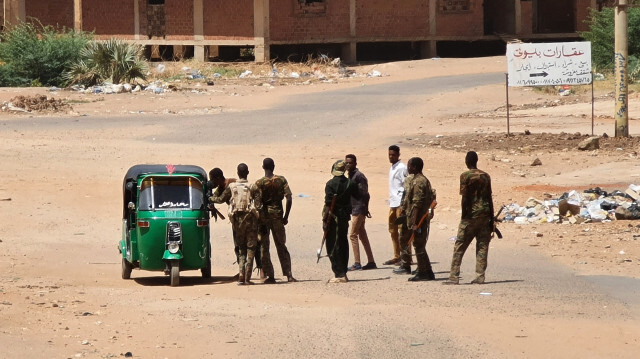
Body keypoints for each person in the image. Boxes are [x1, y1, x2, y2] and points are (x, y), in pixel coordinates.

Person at [443, 151, 495, 285]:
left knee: (459, 246)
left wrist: (463, 216)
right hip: (485, 214)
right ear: (476, 160)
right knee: (482, 246)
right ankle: (480, 276)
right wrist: (492, 219)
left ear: (467, 161)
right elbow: (489, 198)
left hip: (471, 215)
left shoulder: (465, 176)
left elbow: (465, 198)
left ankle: (454, 276)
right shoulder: (486, 176)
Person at [210, 163, 262, 285]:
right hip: (250, 221)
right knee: (250, 248)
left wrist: (208, 199)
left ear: (237, 173)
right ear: (247, 173)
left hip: (237, 221)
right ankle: (247, 278)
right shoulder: (252, 187)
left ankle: (241, 275)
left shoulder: (231, 186)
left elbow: (219, 199)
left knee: (241, 248)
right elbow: (259, 206)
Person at [393, 157, 436, 281]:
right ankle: (427, 271)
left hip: (419, 219)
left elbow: (417, 203)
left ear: (415, 167)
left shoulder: (419, 182)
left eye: (410, 166)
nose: (408, 168)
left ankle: (423, 272)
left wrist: (414, 222)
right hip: (418, 217)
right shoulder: (420, 180)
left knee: (418, 245)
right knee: (419, 244)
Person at [255, 157, 296, 283]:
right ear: (274, 166)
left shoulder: (259, 183)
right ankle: (288, 274)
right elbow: (289, 198)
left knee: (264, 247)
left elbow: (258, 204)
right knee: (281, 245)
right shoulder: (281, 180)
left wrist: (260, 220)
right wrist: (286, 217)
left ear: (263, 167)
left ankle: (270, 276)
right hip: (278, 216)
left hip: (265, 218)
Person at [323, 160, 359, 283]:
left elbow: (328, 204)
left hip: (333, 218)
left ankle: (339, 274)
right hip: (344, 218)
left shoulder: (330, 184)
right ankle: (343, 271)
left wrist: (324, 220)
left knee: (332, 245)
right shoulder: (351, 183)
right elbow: (359, 195)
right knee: (343, 242)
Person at [345, 154, 376, 271]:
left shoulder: (359, 176)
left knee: (352, 235)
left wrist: (365, 209)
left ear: (355, 164)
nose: (348, 165)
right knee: (362, 235)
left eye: (350, 163)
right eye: (346, 163)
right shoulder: (350, 175)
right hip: (355, 208)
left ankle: (357, 262)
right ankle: (371, 261)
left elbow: (365, 193)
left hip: (359, 209)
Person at [384, 145, 409, 266]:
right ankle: (397, 255)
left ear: (398, 155)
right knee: (392, 230)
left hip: (400, 203)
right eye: (389, 154)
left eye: (393, 155)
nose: (391, 157)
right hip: (393, 203)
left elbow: (407, 185)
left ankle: (407, 257)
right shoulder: (392, 168)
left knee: (402, 231)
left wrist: (405, 203)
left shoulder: (402, 168)